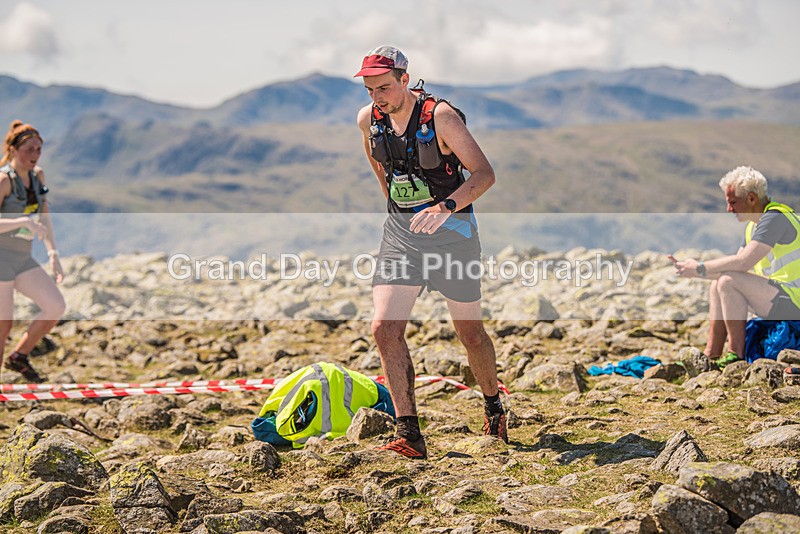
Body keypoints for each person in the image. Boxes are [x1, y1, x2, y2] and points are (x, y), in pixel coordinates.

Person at [355, 45, 507, 459]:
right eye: (370, 90)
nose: (378, 98)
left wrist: (445, 207)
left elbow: (484, 173)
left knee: (470, 334)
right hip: (403, 237)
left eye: (384, 87)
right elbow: (380, 169)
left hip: (453, 235)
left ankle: (493, 404)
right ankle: (410, 435)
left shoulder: (440, 117)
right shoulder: (368, 120)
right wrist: (401, 213)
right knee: (384, 328)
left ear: (406, 79)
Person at [671, 166, 800, 368]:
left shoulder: (775, 218)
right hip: (782, 297)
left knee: (728, 282)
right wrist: (692, 270)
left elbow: (743, 263)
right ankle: (711, 355)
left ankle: (735, 355)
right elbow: (733, 267)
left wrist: (700, 267)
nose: (729, 209)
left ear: (751, 198)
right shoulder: (753, 226)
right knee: (719, 284)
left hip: (794, 300)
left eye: (732, 202)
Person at [0, 120, 66, 383]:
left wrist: (53, 253)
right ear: (14, 150)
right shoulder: (4, 180)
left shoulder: (38, 176)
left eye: (39, 149)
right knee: (4, 324)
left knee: (55, 306)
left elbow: (45, 215)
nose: (35, 155)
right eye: (29, 149)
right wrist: (21, 222)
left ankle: (19, 356)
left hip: (22, 258)